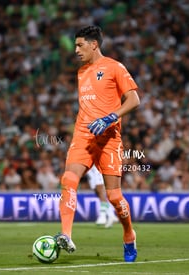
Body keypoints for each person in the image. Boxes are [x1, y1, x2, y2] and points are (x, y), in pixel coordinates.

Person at [55, 26, 140, 262]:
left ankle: (128, 233)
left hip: (109, 138)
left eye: (80, 45)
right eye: (74, 45)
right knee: (69, 179)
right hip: (83, 136)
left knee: (114, 196)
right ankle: (66, 235)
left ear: (94, 44)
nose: (76, 50)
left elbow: (134, 100)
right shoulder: (81, 72)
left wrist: (111, 117)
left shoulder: (115, 67)